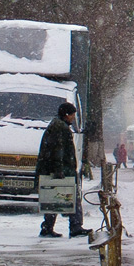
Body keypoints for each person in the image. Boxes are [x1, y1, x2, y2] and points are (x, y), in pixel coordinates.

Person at [36, 102, 90, 238]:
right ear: (66, 115)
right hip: (62, 171)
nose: (73, 118)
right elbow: (58, 151)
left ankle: (47, 227)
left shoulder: (56, 125)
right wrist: (60, 170)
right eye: (72, 115)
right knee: (71, 198)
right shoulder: (61, 128)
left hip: (55, 169)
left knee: (54, 198)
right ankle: (75, 226)